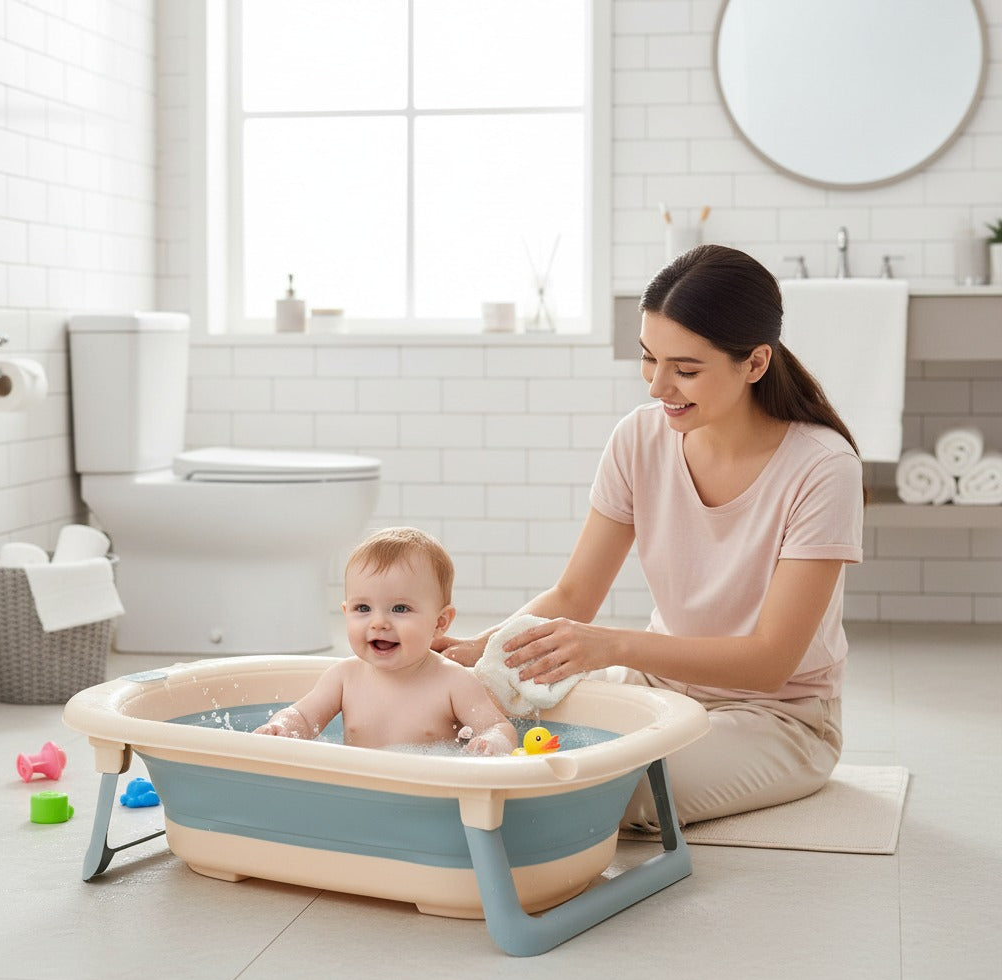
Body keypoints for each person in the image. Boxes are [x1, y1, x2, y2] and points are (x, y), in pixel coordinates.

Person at [435, 245, 865, 826]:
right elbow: (571, 598)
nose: (658, 386)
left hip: (778, 716)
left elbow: (770, 662)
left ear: (756, 363)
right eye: (648, 359)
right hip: (654, 687)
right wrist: (480, 651)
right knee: (479, 726)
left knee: (605, 790)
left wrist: (611, 645)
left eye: (685, 370)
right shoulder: (639, 439)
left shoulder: (822, 466)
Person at [255, 527, 517, 756]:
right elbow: (302, 716)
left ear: (440, 623)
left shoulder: (455, 683)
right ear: (346, 613)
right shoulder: (343, 678)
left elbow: (498, 727)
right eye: (363, 608)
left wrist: (491, 742)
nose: (378, 622)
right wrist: (282, 727)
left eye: (400, 609)